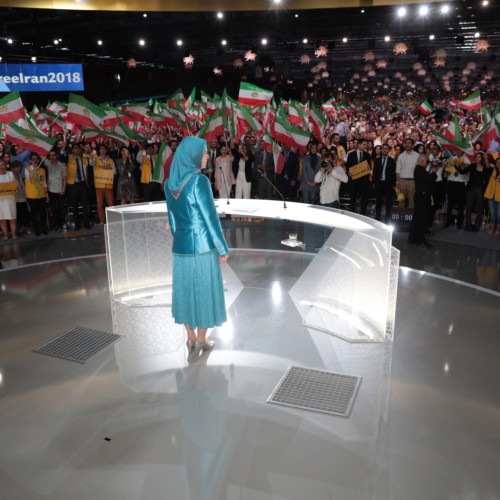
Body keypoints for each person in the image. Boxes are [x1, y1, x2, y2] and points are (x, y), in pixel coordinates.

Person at [165, 137, 229, 356]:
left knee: (185, 291)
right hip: (202, 248)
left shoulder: (169, 183)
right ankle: (202, 339)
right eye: (203, 153)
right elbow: (211, 219)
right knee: (204, 291)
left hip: (181, 247)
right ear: (192, 155)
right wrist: (222, 248)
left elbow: (172, 221)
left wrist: (181, 238)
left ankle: (191, 337)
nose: (206, 156)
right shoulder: (199, 181)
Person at [408, 154, 439, 248]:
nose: (428, 163)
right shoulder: (420, 170)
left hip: (421, 196)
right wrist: (434, 172)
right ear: (421, 161)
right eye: (427, 161)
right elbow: (431, 179)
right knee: (421, 218)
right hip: (422, 197)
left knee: (418, 218)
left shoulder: (419, 170)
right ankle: (420, 239)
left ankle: (414, 238)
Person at [459, 153, 492, 231]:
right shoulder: (472, 166)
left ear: (482, 159)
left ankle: (477, 225)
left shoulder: (485, 167)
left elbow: (490, 169)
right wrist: (457, 166)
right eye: (476, 157)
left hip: (480, 189)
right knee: (468, 207)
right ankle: (468, 224)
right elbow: (463, 172)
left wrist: (486, 159)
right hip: (470, 189)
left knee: (480, 208)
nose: (477, 158)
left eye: (479, 157)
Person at [66, 143, 92, 230]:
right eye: (75, 148)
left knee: (85, 204)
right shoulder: (69, 158)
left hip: (83, 184)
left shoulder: (84, 158)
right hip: (73, 184)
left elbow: (91, 163)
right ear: (72, 150)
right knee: (74, 205)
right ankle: (77, 224)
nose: (77, 150)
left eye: (79, 148)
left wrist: (87, 151)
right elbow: (62, 157)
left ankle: (86, 223)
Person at [24, 153, 49, 236]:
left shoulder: (42, 170)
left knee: (43, 213)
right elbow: (29, 178)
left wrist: (46, 193)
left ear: (38, 160)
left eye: (36, 159)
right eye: (33, 159)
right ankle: (36, 230)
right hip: (31, 195)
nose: (35, 161)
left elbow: (44, 182)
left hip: (41, 194)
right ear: (30, 160)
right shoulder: (27, 169)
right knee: (34, 214)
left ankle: (43, 228)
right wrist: (34, 170)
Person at [345, 138, 371, 215]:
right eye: (364, 144)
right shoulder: (350, 154)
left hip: (364, 182)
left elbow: (369, 167)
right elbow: (347, 167)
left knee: (364, 200)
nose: (366, 146)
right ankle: (352, 215)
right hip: (353, 181)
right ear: (359, 145)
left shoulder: (367, 155)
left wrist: (368, 168)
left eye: (366, 145)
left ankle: (363, 215)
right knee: (352, 198)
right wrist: (348, 172)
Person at [444, 150, 468, 229]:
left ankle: (459, 222)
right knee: (450, 203)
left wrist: (463, 166)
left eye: (460, 150)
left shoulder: (466, 159)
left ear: (463, 151)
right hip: (451, 182)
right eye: (457, 150)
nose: (458, 152)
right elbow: (446, 174)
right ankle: (448, 221)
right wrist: (446, 169)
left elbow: (467, 172)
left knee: (461, 204)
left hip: (461, 183)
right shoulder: (451, 159)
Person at [372, 143, 397, 223]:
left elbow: (393, 174)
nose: (385, 150)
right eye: (383, 148)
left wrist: (393, 184)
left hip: (388, 184)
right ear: (381, 150)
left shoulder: (392, 160)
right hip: (379, 183)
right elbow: (375, 172)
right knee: (378, 201)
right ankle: (377, 218)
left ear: (389, 150)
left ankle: (387, 219)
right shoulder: (377, 160)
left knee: (388, 202)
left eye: (386, 149)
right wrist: (374, 183)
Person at [44, 150, 67, 231]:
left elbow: (64, 179)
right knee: (53, 209)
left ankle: (62, 224)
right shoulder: (48, 163)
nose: (52, 157)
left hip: (60, 190)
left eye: (53, 155)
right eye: (50, 155)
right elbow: (41, 156)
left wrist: (64, 189)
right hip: (50, 190)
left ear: (57, 156)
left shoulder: (62, 166)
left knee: (61, 208)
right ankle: (56, 225)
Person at [94, 145, 116, 224]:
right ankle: (102, 221)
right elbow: (91, 166)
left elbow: (115, 172)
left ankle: (112, 220)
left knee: (111, 204)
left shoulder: (110, 160)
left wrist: (110, 170)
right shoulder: (95, 160)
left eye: (104, 149)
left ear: (106, 150)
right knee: (99, 205)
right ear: (98, 150)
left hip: (108, 185)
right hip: (99, 186)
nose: (103, 150)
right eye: (101, 149)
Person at [396, 138, 420, 209]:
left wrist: (417, 182)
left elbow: (418, 170)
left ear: (412, 145)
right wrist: (397, 181)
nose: (407, 144)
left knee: (412, 202)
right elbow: (398, 170)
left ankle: (411, 219)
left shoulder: (417, 155)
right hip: (401, 181)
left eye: (409, 143)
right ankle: (400, 219)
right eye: (406, 143)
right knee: (401, 201)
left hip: (412, 181)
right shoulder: (401, 156)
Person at [0, 159, 18, 240]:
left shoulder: (10, 174)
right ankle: (5, 235)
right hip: (0, 200)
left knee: (12, 217)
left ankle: (14, 234)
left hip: (10, 199)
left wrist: (15, 188)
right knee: (2, 218)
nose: (1, 167)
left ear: (6, 165)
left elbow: (14, 186)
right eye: (0, 165)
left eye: (3, 165)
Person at [484, 157, 500, 235]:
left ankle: (498, 228)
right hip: (491, 195)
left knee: (499, 213)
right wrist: (486, 159)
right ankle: (492, 227)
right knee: (493, 213)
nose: (499, 164)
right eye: (497, 162)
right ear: (495, 164)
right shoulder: (493, 170)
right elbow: (487, 166)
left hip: (499, 197)